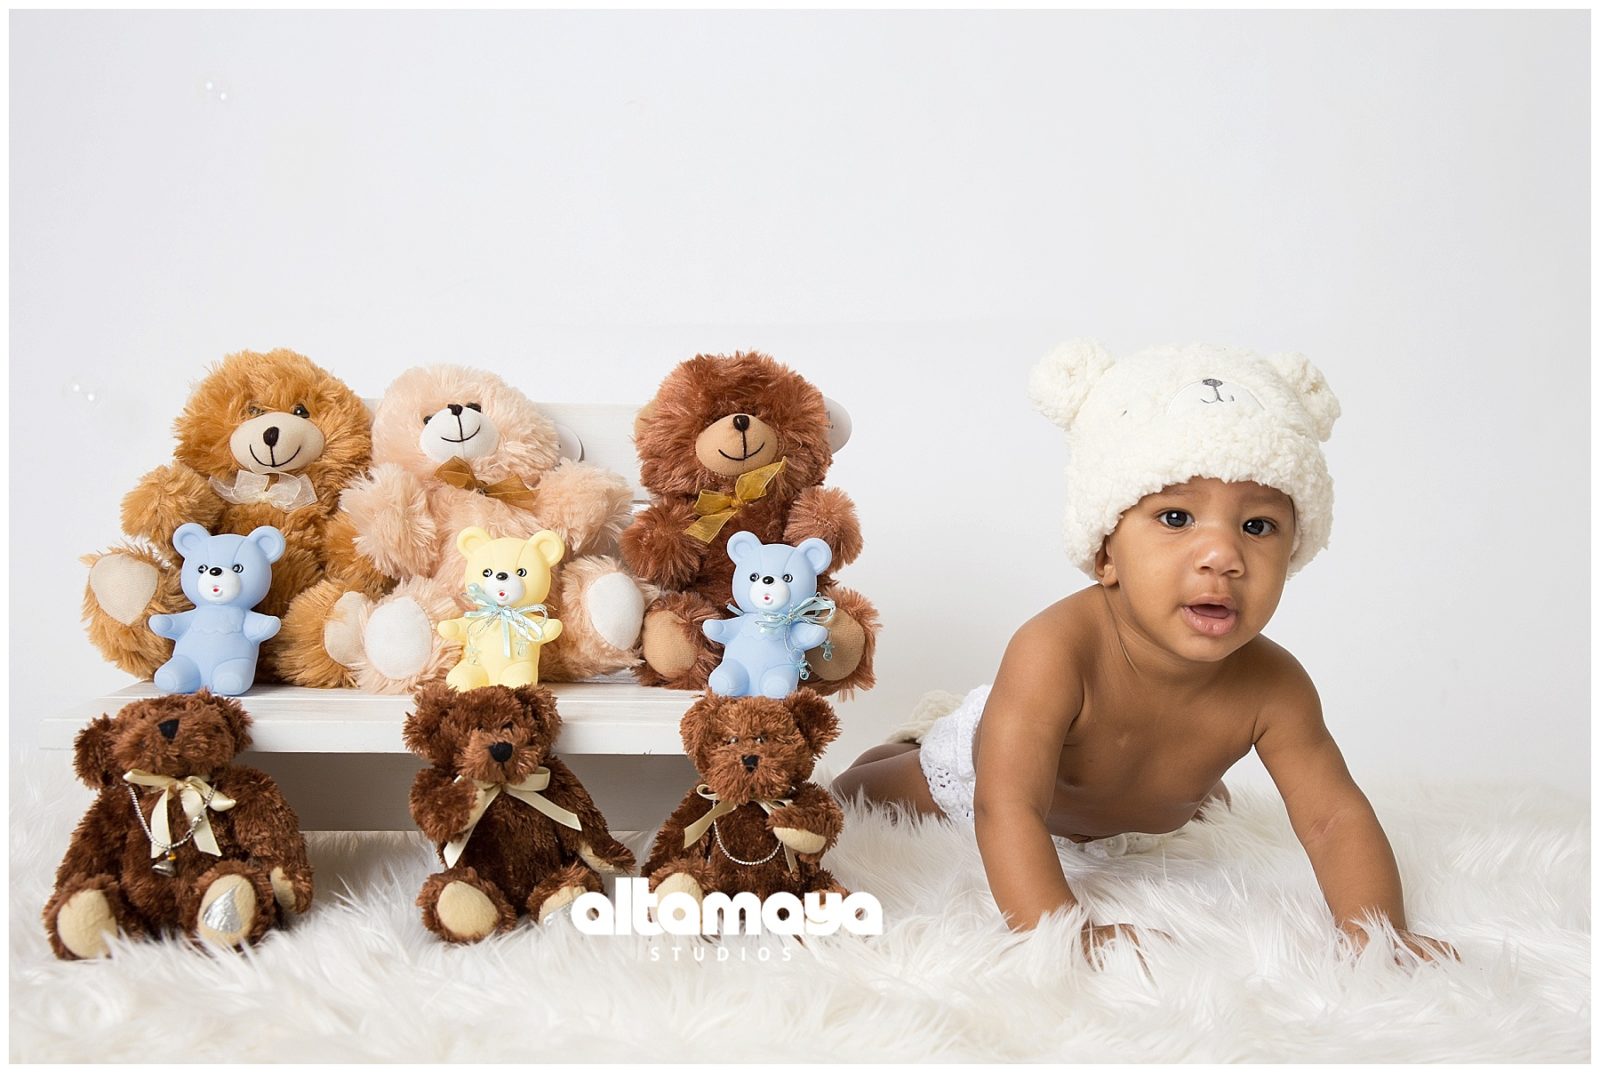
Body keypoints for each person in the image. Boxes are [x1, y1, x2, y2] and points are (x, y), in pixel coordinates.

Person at [833, 341, 1455, 961]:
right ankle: (914, 741)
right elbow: (1007, 806)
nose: (1223, 556)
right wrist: (1062, 930)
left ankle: (1142, 798)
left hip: (1116, 807)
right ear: (1106, 553)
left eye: (1257, 526)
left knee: (1201, 798)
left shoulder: (1277, 686)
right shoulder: (1056, 649)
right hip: (983, 778)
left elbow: (1333, 817)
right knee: (858, 792)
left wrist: (1378, 931)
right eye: (1177, 518)